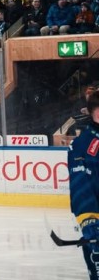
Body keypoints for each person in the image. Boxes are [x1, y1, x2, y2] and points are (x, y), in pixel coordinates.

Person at [69, 92, 99, 279]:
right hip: (94, 211)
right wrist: (89, 219)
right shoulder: (81, 144)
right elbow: (79, 183)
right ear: (91, 113)